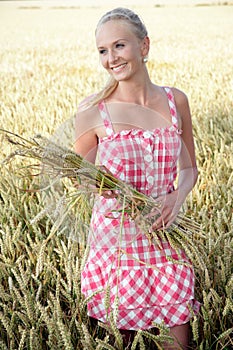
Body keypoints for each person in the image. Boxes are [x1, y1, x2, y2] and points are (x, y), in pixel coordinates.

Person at [75, 7, 200, 349]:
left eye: (119, 46)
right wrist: (99, 181)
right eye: (103, 50)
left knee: (179, 344)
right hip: (116, 248)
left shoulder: (176, 101)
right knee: (119, 343)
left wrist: (176, 197)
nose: (111, 58)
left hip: (165, 241)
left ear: (144, 46)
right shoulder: (91, 111)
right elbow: (80, 177)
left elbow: (189, 168)